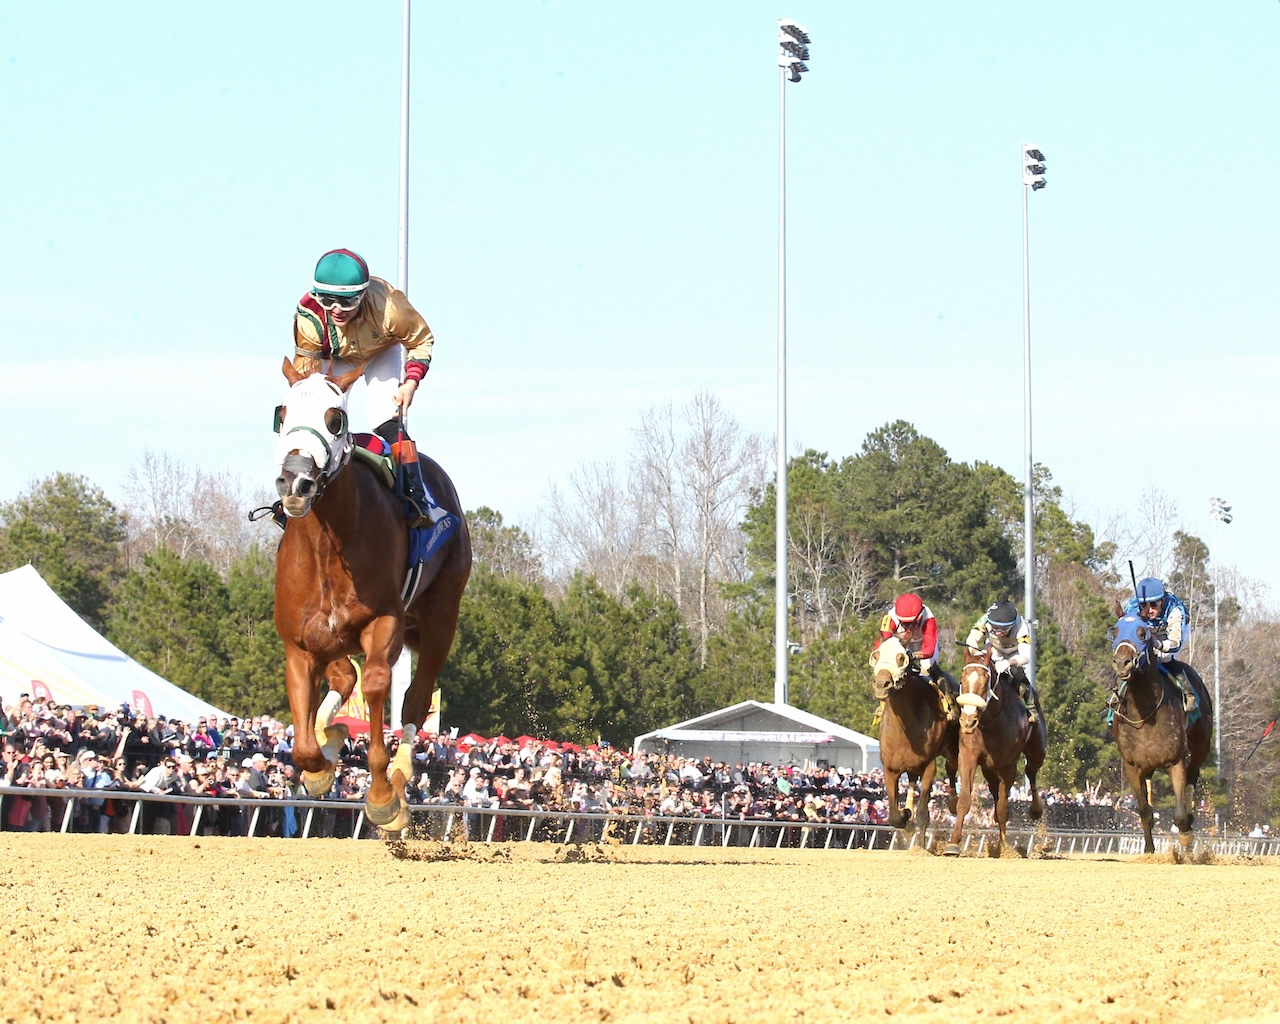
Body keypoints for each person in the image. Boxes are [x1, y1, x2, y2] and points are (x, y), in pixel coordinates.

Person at [286, 248, 445, 529]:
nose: (336, 309)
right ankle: (295, 489)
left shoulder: (390, 308)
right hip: (333, 357)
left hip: (380, 351)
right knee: (311, 415)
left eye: (346, 302)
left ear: (362, 294)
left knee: (384, 418)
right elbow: (305, 375)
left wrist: (411, 382)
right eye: (327, 300)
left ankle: (415, 499)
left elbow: (422, 340)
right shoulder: (308, 316)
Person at [873, 593, 959, 721]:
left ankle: (949, 703)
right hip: (900, 645)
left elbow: (929, 649)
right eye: (904, 624)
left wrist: (913, 656)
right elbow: (882, 643)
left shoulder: (929, 619)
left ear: (920, 615)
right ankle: (882, 705)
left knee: (928, 667)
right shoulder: (890, 618)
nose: (908, 627)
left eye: (911, 623)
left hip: (922, 645)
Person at [1119, 576, 1196, 714]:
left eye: (1154, 604)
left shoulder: (1174, 611)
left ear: (1163, 601)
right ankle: (1117, 698)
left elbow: (1174, 643)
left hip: (1169, 635)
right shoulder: (1132, 607)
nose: (1149, 610)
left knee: (1164, 658)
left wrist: (1157, 643)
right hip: (1148, 632)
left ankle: (1188, 693)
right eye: (1144, 606)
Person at [965, 600, 1039, 715]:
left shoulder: (1021, 626)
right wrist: (975, 652)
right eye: (995, 628)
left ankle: (1030, 705)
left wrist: (1008, 663)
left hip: (1014, 653)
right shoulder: (985, 619)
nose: (999, 632)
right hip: (994, 649)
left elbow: (1025, 657)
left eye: (1004, 629)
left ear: (1012, 625)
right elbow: (971, 639)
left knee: (1016, 672)